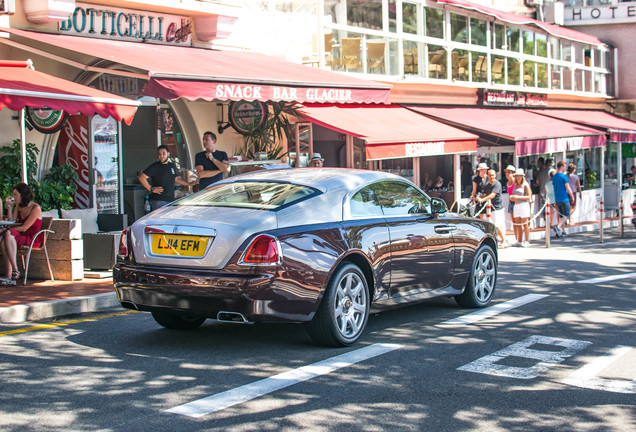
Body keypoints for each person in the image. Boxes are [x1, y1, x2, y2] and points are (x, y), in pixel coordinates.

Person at [0, 183, 42, 283]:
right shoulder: (19, 206)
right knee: (3, 239)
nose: (13, 197)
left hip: (32, 237)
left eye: (15, 194)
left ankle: (13, 270)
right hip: (20, 235)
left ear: (23, 194)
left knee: (6, 235)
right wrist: (10, 207)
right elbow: (12, 222)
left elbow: (24, 228)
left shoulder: (35, 208)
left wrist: (8, 230)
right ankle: (10, 273)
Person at [138, 145, 197, 211]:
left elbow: (176, 179)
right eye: (159, 154)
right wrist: (151, 189)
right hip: (158, 200)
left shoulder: (171, 165)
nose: (161, 156)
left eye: (163, 153)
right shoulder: (155, 166)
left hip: (170, 200)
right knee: (160, 221)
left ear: (168, 154)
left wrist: (188, 184)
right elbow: (141, 177)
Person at [477, 169, 508, 248]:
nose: (491, 177)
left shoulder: (497, 184)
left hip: (497, 207)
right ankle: (497, 240)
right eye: (490, 175)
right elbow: (485, 194)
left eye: (493, 175)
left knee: (497, 225)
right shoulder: (488, 184)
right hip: (490, 208)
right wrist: (476, 198)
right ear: (487, 175)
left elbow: (492, 195)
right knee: (492, 224)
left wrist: (482, 200)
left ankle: (504, 241)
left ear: (495, 175)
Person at [510, 168, 533, 247]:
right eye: (517, 176)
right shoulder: (515, 185)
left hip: (524, 205)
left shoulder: (525, 185)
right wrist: (513, 198)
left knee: (525, 224)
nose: (518, 177)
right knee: (517, 223)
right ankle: (519, 240)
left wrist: (517, 196)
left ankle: (527, 240)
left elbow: (529, 196)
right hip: (516, 205)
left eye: (520, 176)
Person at [552, 160, 575, 238]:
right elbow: (568, 188)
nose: (566, 168)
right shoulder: (564, 177)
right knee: (566, 215)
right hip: (564, 198)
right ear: (561, 167)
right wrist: (572, 196)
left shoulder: (554, 176)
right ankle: (558, 227)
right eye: (565, 166)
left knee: (561, 216)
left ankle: (563, 231)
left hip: (557, 198)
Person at [504, 165, 519, 245]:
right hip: (511, 202)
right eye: (506, 172)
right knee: (513, 221)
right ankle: (516, 238)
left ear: (513, 173)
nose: (507, 174)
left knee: (518, 221)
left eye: (509, 172)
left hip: (517, 202)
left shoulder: (515, 182)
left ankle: (519, 238)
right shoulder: (508, 183)